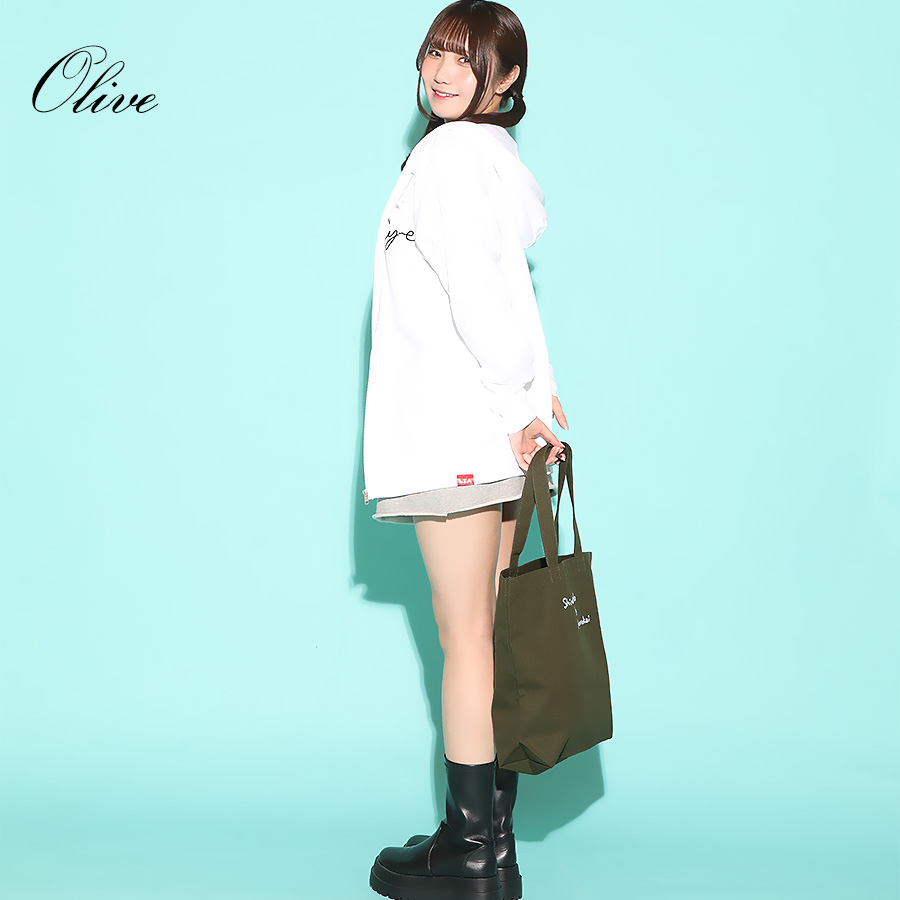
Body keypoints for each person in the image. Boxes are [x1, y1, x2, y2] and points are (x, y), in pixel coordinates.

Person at [362, 3, 568, 899]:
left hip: (456, 432)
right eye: (435, 53)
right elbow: (509, 288)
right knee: (493, 635)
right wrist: (534, 399)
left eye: (468, 57)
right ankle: (490, 843)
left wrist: (516, 403)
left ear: (507, 77)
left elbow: (481, 299)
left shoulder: (448, 159)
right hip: (494, 431)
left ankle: (472, 851)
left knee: (468, 640)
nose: (443, 72)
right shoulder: (488, 159)